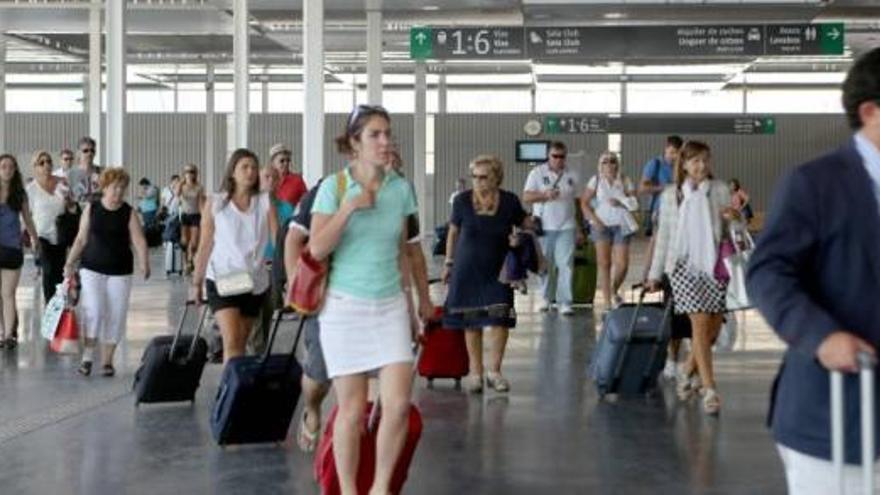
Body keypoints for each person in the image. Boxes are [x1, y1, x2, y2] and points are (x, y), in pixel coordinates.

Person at [747, 47, 880, 494]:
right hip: (837, 412)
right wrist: (822, 336)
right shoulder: (816, 183)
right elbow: (768, 271)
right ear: (871, 111)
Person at [284, 146, 432, 454]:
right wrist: (297, 287)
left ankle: (358, 454)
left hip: (382, 302)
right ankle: (312, 409)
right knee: (319, 375)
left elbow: (410, 254)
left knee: (375, 387)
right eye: (382, 154)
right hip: (330, 299)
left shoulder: (400, 198)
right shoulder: (331, 188)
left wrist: (419, 302)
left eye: (393, 158)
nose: (387, 161)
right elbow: (295, 239)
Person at [308, 104, 418, 494]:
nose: (385, 141)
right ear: (354, 143)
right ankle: (350, 489)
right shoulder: (333, 188)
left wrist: (413, 308)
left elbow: (402, 252)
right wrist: (349, 207)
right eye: (375, 134)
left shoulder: (401, 189)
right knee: (352, 413)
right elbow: (317, 248)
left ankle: (381, 488)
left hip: (389, 308)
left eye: (387, 133)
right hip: (344, 310)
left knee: (398, 405)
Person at [645, 140, 737, 416]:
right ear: (683, 164)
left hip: (714, 265)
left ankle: (687, 371)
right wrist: (654, 274)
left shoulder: (720, 190)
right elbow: (664, 238)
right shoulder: (670, 195)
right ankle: (710, 389)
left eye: (705, 160)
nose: (701, 166)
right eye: (695, 161)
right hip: (683, 267)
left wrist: (734, 217)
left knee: (711, 331)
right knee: (698, 325)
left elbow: (733, 227)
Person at [443, 154, 528, 393]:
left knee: (500, 319)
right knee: (472, 321)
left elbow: (525, 223)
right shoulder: (461, 201)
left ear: (496, 178)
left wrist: (525, 234)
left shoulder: (510, 200)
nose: (478, 181)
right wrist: (448, 263)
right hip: (467, 267)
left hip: (500, 269)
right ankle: (476, 373)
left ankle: (495, 371)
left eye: (484, 177)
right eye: (475, 177)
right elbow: (452, 233)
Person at [190, 149, 277, 363]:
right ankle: (232, 392)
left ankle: (235, 386)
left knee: (241, 342)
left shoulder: (265, 202)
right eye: (244, 167)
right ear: (232, 173)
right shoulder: (217, 202)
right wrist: (196, 282)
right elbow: (205, 244)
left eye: (254, 167)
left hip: (254, 281)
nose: (250, 172)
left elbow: (279, 241)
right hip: (223, 277)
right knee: (231, 341)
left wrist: (287, 276)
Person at [64, 168, 150, 376]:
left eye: (122, 188)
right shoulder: (91, 209)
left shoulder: (128, 212)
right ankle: (87, 357)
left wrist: (144, 262)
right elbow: (81, 239)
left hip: (120, 270)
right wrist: (69, 262)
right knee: (93, 309)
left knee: (116, 314)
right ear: (104, 188)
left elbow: (139, 240)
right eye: (114, 187)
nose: (118, 192)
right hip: (91, 267)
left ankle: (107, 361)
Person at [523, 141, 582, 315]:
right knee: (545, 264)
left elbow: (577, 202)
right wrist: (544, 195)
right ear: (548, 156)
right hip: (545, 226)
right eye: (554, 156)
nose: (558, 159)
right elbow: (526, 196)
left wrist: (580, 227)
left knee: (566, 265)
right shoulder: (537, 173)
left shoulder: (573, 175)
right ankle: (546, 298)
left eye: (561, 156)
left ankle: (565, 301)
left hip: (567, 225)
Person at [580, 151, 638, 309]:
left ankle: (614, 289)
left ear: (617, 164)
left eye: (612, 161)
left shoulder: (625, 180)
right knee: (604, 263)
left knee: (623, 264)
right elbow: (584, 203)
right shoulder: (596, 180)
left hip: (621, 224)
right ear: (601, 165)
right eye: (605, 161)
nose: (609, 164)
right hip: (601, 225)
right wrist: (594, 220)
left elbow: (634, 203)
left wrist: (621, 201)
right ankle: (607, 301)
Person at [0, 154, 39, 349]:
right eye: (3, 166)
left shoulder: (19, 194)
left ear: (15, 170)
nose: (7, 170)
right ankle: (5, 331)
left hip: (12, 249)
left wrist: (35, 238)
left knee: (8, 294)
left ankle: (8, 336)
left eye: (11, 167)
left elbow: (28, 218)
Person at [27, 150, 70, 304]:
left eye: (49, 162)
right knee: (48, 271)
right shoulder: (31, 189)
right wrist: (32, 237)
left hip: (61, 235)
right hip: (42, 236)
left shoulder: (62, 182)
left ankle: (60, 309)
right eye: (42, 162)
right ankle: (49, 306)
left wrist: (68, 199)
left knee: (59, 274)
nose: (46, 165)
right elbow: (27, 215)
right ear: (35, 167)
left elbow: (70, 207)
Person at [639, 135, 683, 238]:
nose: (675, 156)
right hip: (659, 210)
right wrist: (665, 188)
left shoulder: (681, 166)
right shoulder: (655, 164)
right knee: (655, 245)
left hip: (679, 210)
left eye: (678, 153)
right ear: (666, 149)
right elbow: (642, 188)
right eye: (672, 152)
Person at [176, 163, 206, 274]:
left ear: (195, 173)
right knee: (184, 241)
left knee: (194, 243)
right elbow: (177, 194)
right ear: (184, 174)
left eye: (192, 171)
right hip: (185, 215)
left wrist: (204, 217)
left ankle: (190, 260)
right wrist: (181, 182)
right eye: (187, 172)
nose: (190, 174)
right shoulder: (182, 186)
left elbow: (201, 203)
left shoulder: (199, 187)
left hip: (195, 215)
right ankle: (185, 262)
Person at [268, 143, 307, 220]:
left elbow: (306, 204)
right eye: (282, 161)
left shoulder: (297, 180)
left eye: (288, 160)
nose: (286, 163)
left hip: (290, 225)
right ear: (273, 163)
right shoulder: (267, 180)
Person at [67, 137, 101, 204]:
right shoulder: (70, 174)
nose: (89, 153)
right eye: (85, 151)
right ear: (78, 153)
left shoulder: (102, 172)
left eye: (92, 150)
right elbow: (69, 197)